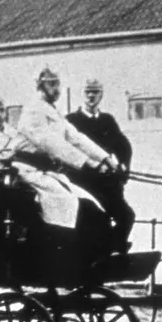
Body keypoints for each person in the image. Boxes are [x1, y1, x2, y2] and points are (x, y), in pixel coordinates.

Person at [13, 66, 122, 252]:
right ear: (40, 85)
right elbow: (52, 144)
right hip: (28, 172)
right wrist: (87, 163)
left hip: (47, 173)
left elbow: (76, 137)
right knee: (68, 207)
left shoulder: (52, 111)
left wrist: (105, 159)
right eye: (52, 84)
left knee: (91, 204)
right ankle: (62, 254)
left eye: (58, 84)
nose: (57, 89)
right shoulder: (33, 110)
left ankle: (90, 256)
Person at [65, 78, 136, 251]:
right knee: (94, 220)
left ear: (101, 95)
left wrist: (123, 166)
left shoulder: (107, 121)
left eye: (95, 92)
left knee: (127, 216)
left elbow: (123, 146)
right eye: (88, 91)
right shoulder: (71, 121)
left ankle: (111, 248)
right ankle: (96, 252)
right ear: (83, 94)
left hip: (106, 183)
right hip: (82, 183)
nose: (91, 96)